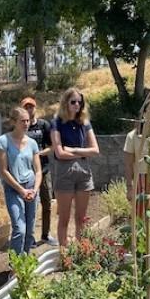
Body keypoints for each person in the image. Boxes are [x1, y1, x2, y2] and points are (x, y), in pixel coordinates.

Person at [51, 88, 100, 246]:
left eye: (80, 102)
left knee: (81, 218)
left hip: (84, 174)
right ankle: (64, 254)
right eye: (73, 102)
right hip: (65, 173)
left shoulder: (84, 123)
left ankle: (81, 252)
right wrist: (83, 154)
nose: (77, 105)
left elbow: (95, 150)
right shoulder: (57, 122)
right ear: (66, 103)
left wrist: (73, 150)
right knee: (64, 218)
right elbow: (59, 153)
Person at [0, 107, 43, 255]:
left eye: (28, 120)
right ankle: (15, 267)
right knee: (19, 229)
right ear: (13, 122)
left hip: (31, 188)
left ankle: (25, 262)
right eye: (22, 121)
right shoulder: (3, 141)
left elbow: (38, 171)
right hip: (13, 189)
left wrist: (34, 190)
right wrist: (21, 190)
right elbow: (3, 171)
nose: (26, 124)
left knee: (29, 230)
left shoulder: (32, 143)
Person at [21, 96, 58, 246]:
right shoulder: (21, 127)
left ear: (35, 108)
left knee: (47, 203)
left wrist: (38, 153)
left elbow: (53, 146)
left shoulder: (44, 125)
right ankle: (28, 238)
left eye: (31, 107)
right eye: (26, 107)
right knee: (28, 206)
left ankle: (45, 234)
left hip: (43, 170)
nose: (29, 110)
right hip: (25, 173)